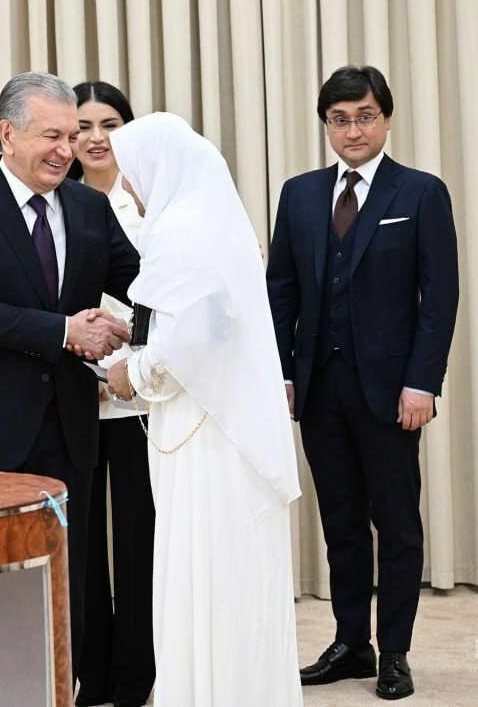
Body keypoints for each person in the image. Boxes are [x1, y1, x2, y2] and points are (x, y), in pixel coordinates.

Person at [0, 71, 140, 665]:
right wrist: (67, 331)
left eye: (72, 136)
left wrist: (206, 274)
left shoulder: (90, 206)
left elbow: (140, 284)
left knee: (64, 590)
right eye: (53, 136)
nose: (67, 150)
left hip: (68, 431)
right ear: (7, 133)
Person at [266, 66, 458, 701]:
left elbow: (439, 301)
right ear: (327, 125)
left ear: (387, 119)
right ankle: (352, 643)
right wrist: (284, 372)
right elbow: (280, 292)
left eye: (365, 117)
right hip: (319, 388)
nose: (353, 130)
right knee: (341, 521)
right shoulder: (299, 195)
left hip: (391, 392)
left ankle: (394, 650)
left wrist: (422, 383)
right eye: (339, 120)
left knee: (396, 523)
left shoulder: (420, 193)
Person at [104, 112, 303, 705]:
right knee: (228, 571)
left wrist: (130, 373)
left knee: (207, 567)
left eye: (132, 177)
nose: (130, 191)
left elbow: (184, 343)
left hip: (209, 436)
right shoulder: (209, 222)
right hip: (218, 422)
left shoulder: (180, 230)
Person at [70, 81, 155, 707]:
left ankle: (136, 674)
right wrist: (90, 375)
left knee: (138, 537)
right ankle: (89, 672)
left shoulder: (151, 200)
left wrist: (122, 371)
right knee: (81, 542)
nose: (96, 138)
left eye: (110, 124)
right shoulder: (58, 202)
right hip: (74, 394)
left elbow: (160, 300)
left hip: (141, 398)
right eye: (82, 126)